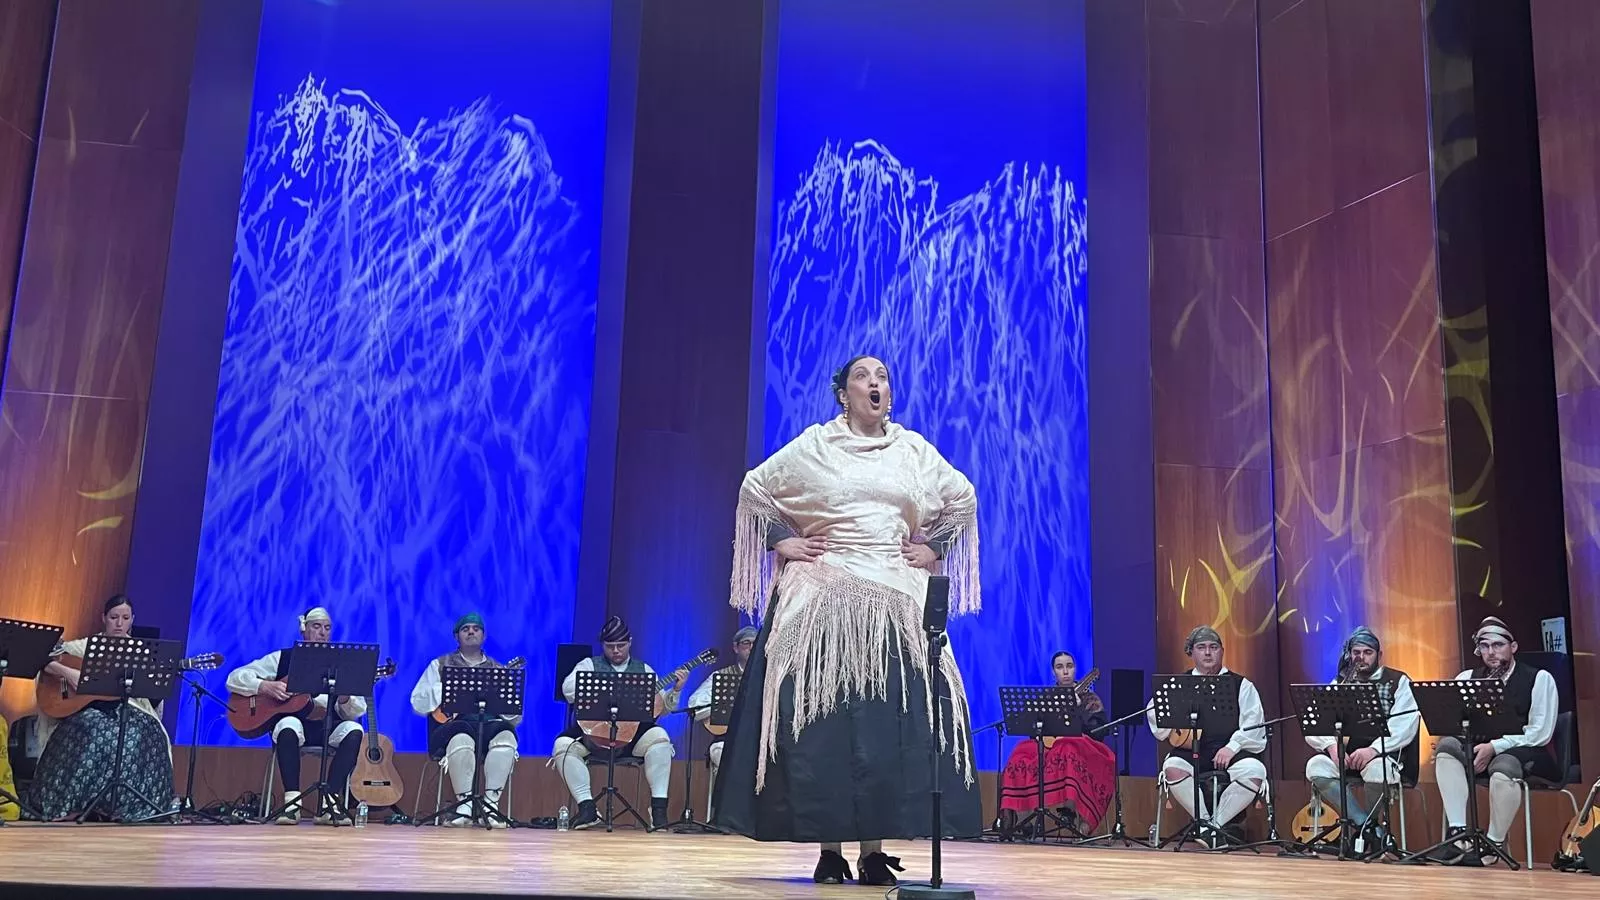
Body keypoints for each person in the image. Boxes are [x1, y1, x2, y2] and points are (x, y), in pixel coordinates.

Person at [716, 354, 982, 887]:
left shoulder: (911, 450)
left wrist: (933, 548)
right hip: (824, 592)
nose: (876, 383)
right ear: (845, 393)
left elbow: (963, 499)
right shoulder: (816, 445)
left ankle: (874, 850)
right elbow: (755, 489)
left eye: (883, 376)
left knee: (888, 730)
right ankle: (830, 849)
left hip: (893, 597)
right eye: (864, 376)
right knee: (827, 728)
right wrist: (780, 540)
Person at [29, 595, 174, 821]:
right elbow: (43, 660)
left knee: (148, 733)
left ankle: (130, 807)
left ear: (132, 620)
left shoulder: (140, 652)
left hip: (128, 708)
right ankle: (73, 804)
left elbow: (151, 693)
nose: (119, 623)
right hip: (89, 711)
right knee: (91, 731)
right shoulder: (85, 647)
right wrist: (70, 673)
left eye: (125, 618)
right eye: (114, 617)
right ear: (103, 618)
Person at [1432, 616, 1558, 865]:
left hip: (1525, 750)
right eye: (1485, 645)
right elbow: (1457, 722)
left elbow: (1540, 732)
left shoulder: (1539, 678)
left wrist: (1495, 747)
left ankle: (1493, 844)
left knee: (1504, 766)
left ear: (1513, 647)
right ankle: (1458, 834)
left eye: (1498, 645)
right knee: (1447, 746)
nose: (1491, 652)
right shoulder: (1467, 677)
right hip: (1479, 747)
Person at [225, 607, 367, 825]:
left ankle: (329, 803)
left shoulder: (339, 663)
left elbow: (354, 712)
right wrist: (264, 686)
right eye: (316, 627)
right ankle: (292, 805)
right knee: (288, 723)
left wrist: (344, 697)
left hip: (325, 727)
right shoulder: (282, 658)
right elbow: (234, 678)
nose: (322, 633)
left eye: (327, 628)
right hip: (294, 727)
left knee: (355, 730)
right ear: (304, 630)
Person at [551, 615, 684, 830]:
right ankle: (587, 809)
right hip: (594, 735)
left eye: (621, 645)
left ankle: (659, 810)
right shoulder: (589, 665)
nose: (615, 651)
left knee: (661, 738)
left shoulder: (644, 670)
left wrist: (676, 690)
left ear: (630, 642)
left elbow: (664, 709)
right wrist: (606, 687)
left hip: (632, 739)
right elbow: (568, 690)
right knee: (562, 746)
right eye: (610, 646)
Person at [1146, 625, 1267, 848]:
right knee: (1172, 766)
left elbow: (1253, 724)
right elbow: (1156, 714)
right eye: (1201, 648)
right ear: (1192, 653)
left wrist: (1232, 747)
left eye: (1213, 647)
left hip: (1229, 752)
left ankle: (1215, 826)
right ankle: (1204, 825)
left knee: (1255, 771)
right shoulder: (1177, 684)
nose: (1208, 652)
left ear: (1222, 651)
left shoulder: (1242, 685)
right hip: (1190, 751)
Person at [1302, 626, 1417, 848]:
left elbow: (1405, 725)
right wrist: (1332, 748)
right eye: (1356, 652)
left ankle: (1369, 828)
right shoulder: (1340, 683)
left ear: (1378, 655)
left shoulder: (1398, 681)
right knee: (1315, 766)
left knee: (1377, 770)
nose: (1361, 658)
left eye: (1367, 652)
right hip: (1348, 756)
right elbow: (1314, 722)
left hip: (1385, 755)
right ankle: (1366, 825)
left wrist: (1373, 750)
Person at [408, 613, 520, 827]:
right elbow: (418, 702)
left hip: (488, 727)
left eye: (476, 628)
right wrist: (452, 688)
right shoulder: (440, 665)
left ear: (484, 636)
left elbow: (513, 715)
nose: (471, 631)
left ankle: (491, 805)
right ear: (456, 636)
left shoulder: (497, 669)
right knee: (462, 736)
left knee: (506, 735)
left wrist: (502, 690)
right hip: (451, 728)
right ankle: (464, 805)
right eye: (465, 628)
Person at [998, 651, 1115, 836]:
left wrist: (1076, 709)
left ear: (1075, 669)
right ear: (1054, 672)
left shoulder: (1090, 699)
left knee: (1067, 747)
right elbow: (1035, 730)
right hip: (1050, 749)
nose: (1066, 671)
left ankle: (1074, 815)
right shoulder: (1047, 699)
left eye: (1069, 666)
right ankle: (1022, 819)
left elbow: (1099, 732)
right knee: (1020, 752)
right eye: (1060, 667)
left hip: (1082, 749)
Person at [690, 624, 757, 818]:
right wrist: (722, 703)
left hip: (761, 741)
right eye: (746, 643)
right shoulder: (721, 676)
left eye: (755, 644)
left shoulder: (771, 678)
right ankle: (729, 814)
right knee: (721, 752)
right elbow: (695, 705)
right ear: (735, 648)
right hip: (727, 739)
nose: (751, 648)